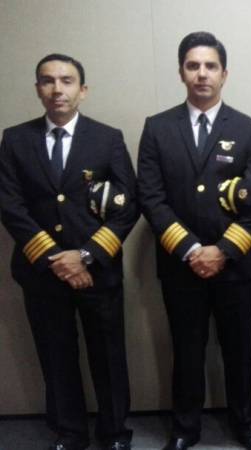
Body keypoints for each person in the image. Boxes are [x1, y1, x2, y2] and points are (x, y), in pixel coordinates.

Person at [136, 31, 251, 450]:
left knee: (239, 350)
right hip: (181, 265)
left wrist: (223, 251)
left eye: (210, 66)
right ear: (181, 72)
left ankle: (247, 423)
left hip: (235, 265)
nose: (202, 74)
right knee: (186, 350)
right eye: (193, 66)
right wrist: (192, 250)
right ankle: (185, 428)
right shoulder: (157, 128)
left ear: (224, 74)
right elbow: (151, 197)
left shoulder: (248, 129)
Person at [0, 53, 138, 450]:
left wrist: (86, 255)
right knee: (56, 356)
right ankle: (70, 432)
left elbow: (128, 204)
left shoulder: (107, 138)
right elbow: (10, 204)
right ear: (37, 89)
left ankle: (114, 433)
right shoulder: (16, 139)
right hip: (42, 273)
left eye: (66, 80)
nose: (57, 89)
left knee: (108, 356)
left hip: (98, 271)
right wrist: (55, 259)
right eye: (48, 81)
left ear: (83, 90)